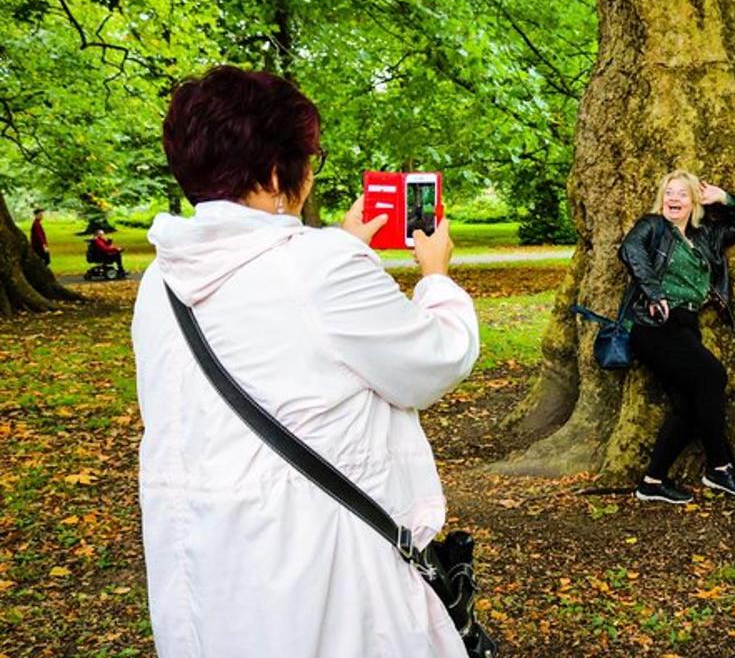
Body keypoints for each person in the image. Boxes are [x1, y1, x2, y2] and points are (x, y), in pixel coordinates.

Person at [132, 65, 480, 658]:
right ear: (275, 175)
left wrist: (344, 253)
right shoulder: (319, 267)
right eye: (308, 162)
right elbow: (436, 360)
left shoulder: (160, 279)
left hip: (205, 556)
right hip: (319, 555)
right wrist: (436, 277)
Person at [617, 169, 735, 504]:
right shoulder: (651, 226)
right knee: (713, 375)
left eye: (682, 193)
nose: (674, 199)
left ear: (695, 200)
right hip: (654, 324)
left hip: (686, 325)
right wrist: (654, 293)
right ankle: (720, 467)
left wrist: (725, 199)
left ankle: (652, 482)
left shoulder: (705, 234)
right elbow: (630, 250)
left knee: (687, 407)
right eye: (669, 193)